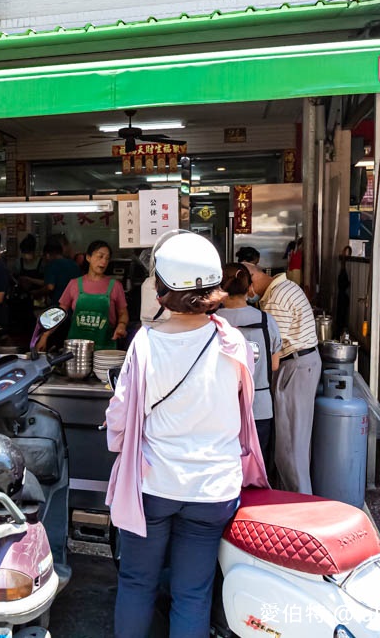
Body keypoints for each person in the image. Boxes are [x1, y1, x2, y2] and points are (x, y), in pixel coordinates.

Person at [105, 231, 269, 638]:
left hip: (154, 486)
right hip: (213, 489)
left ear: (160, 289)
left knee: (137, 583)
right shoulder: (234, 342)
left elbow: (120, 418)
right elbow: (241, 409)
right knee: (193, 592)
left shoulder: (145, 343)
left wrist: (116, 444)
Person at [244, 261, 320, 494]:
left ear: (253, 281)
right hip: (301, 364)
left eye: (245, 290)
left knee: (290, 443)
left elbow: (271, 348)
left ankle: (297, 504)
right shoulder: (282, 288)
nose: (248, 296)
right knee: (294, 438)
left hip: (295, 365)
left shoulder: (277, 297)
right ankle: (292, 496)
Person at [218, 263, 282, 476]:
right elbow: (274, 365)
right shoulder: (266, 320)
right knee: (256, 470)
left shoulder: (212, 322)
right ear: (249, 289)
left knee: (225, 470)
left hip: (222, 408)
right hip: (260, 405)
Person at [39, 240, 128, 351]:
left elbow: (123, 313)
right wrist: (45, 336)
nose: (104, 262)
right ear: (88, 257)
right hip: (77, 349)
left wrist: (122, 325)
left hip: (104, 349)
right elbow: (59, 313)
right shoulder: (74, 284)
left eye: (107, 258)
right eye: (100, 256)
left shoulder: (115, 286)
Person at [36, 240, 81, 307]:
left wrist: (36, 293)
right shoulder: (74, 264)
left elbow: (50, 287)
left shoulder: (51, 265)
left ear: (47, 255)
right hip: (75, 304)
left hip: (58, 306)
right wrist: (29, 279)